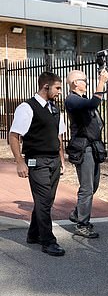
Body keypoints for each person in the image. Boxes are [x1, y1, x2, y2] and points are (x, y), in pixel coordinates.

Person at [8, 71, 67, 256]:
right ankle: (48, 241)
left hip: (54, 161)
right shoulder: (27, 107)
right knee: (42, 201)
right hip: (37, 161)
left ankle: (33, 234)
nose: (59, 92)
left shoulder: (55, 109)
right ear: (46, 86)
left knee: (47, 201)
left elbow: (58, 135)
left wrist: (62, 159)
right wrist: (19, 162)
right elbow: (14, 136)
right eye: (57, 88)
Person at [64, 68, 108, 238]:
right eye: (85, 80)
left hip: (93, 147)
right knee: (87, 188)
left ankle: (77, 213)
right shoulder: (72, 100)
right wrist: (101, 82)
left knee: (93, 185)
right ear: (76, 83)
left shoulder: (81, 99)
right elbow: (93, 104)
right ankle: (82, 225)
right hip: (84, 148)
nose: (87, 82)